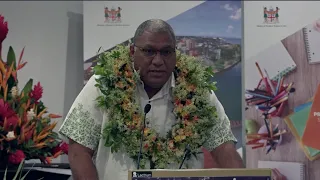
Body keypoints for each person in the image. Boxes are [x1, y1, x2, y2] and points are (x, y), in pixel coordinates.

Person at [59, 19, 244, 180]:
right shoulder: (103, 85)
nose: (158, 60)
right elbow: (78, 151)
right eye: (148, 51)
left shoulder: (198, 92)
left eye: (166, 52)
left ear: (175, 54)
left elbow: (224, 148)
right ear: (132, 52)